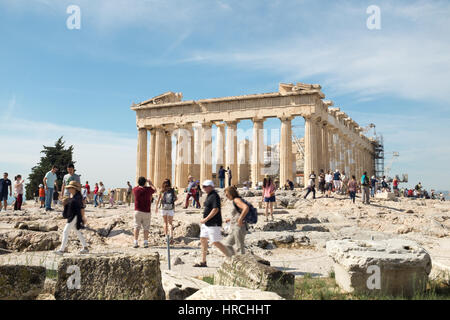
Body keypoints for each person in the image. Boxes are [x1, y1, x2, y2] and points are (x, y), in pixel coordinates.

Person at [193, 180, 229, 267]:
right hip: (206, 223)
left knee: (215, 242)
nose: (204, 188)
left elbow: (215, 209)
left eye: (206, 186)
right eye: (203, 186)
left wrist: (206, 219)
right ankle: (203, 261)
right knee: (203, 239)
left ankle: (231, 257)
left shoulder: (214, 196)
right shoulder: (209, 195)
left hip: (213, 223)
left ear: (211, 186)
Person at [54, 181, 89, 255]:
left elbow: (81, 207)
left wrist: (83, 217)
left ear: (74, 188)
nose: (69, 189)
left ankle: (61, 250)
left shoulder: (78, 197)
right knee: (77, 232)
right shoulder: (73, 196)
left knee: (65, 231)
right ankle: (85, 247)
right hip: (73, 216)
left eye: (70, 188)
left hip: (74, 216)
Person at [221, 186, 249, 256]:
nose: (226, 196)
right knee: (227, 244)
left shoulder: (236, 200)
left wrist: (240, 218)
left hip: (239, 227)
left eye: (227, 194)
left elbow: (246, 208)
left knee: (240, 248)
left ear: (231, 193)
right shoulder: (234, 201)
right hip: (234, 227)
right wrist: (230, 219)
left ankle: (242, 264)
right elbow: (238, 212)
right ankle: (234, 260)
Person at [132, 177, 156, 248]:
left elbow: (136, 187)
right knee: (146, 227)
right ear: (145, 183)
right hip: (146, 211)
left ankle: (135, 242)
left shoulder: (135, 190)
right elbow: (155, 189)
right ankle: (145, 242)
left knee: (136, 226)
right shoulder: (148, 189)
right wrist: (150, 183)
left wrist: (141, 183)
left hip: (137, 211)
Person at [155, 179, 177, 243]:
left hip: (164, 208)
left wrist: (156, 207)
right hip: (171, 208)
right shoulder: (172, 190)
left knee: (165, 223)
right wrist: (172, 202)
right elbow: (176, 198)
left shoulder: (162, 191)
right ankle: (171, 236)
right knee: (170, 223)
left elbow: (158, 200)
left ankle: (166, 236)